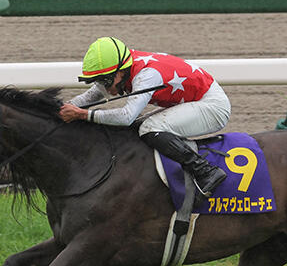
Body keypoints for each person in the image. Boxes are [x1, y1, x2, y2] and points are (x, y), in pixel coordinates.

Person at [59, 36, 231, 197]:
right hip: (192, 100)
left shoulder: (147, 75)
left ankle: (205, 171)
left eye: (105, 81)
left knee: (149, 128)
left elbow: (126, 116)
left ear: (120, 72)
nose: (105, 87)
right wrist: (58, 109)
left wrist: (83, 115)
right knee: (139, 125)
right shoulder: (124, 67)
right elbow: (91, 96)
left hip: (212, 106)